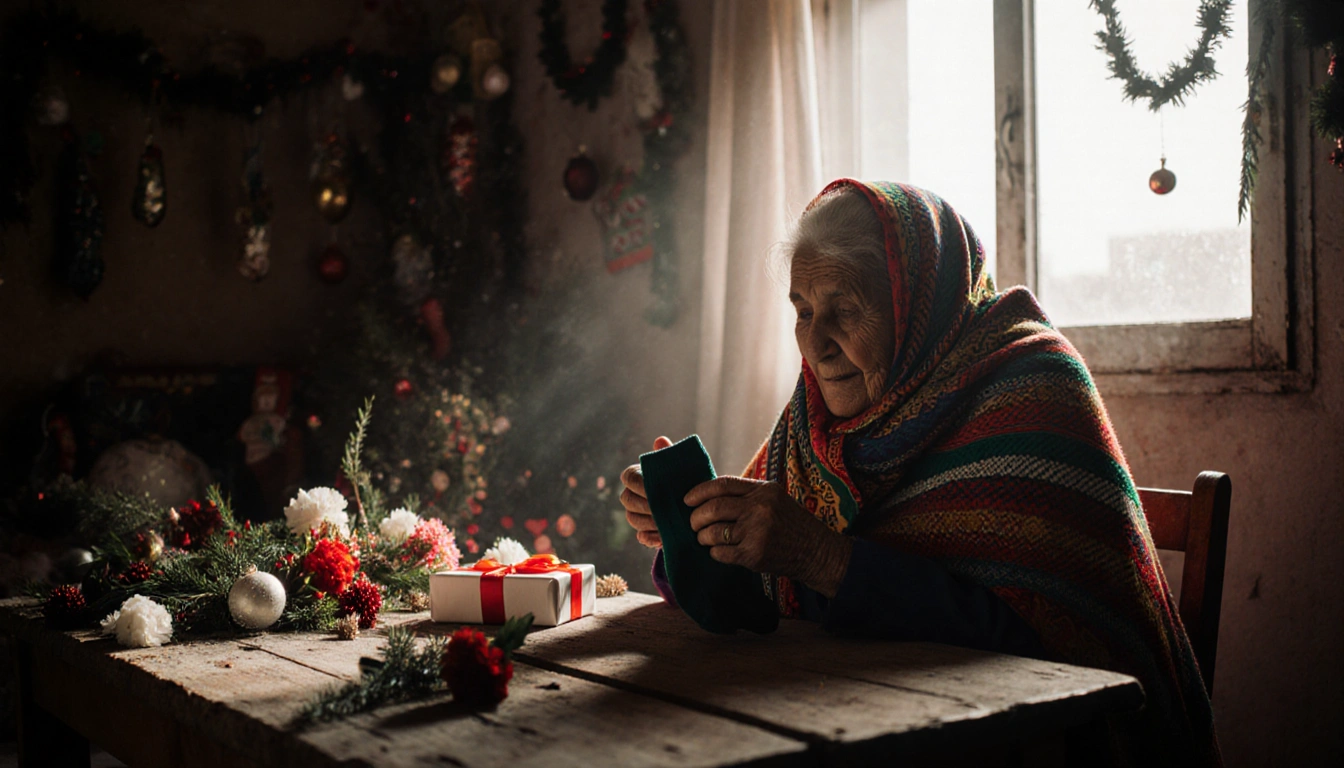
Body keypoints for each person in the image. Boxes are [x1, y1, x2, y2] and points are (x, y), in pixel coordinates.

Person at [620, 180, 1218, 765]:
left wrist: (820, 556)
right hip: (853, 721)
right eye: (803, 311)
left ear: (917, 307)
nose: (816, 345)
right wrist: (692, 527)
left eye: (844, 309)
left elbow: (1048, 652)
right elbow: (757, 605)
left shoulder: (1035, 388)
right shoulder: (819, 420)